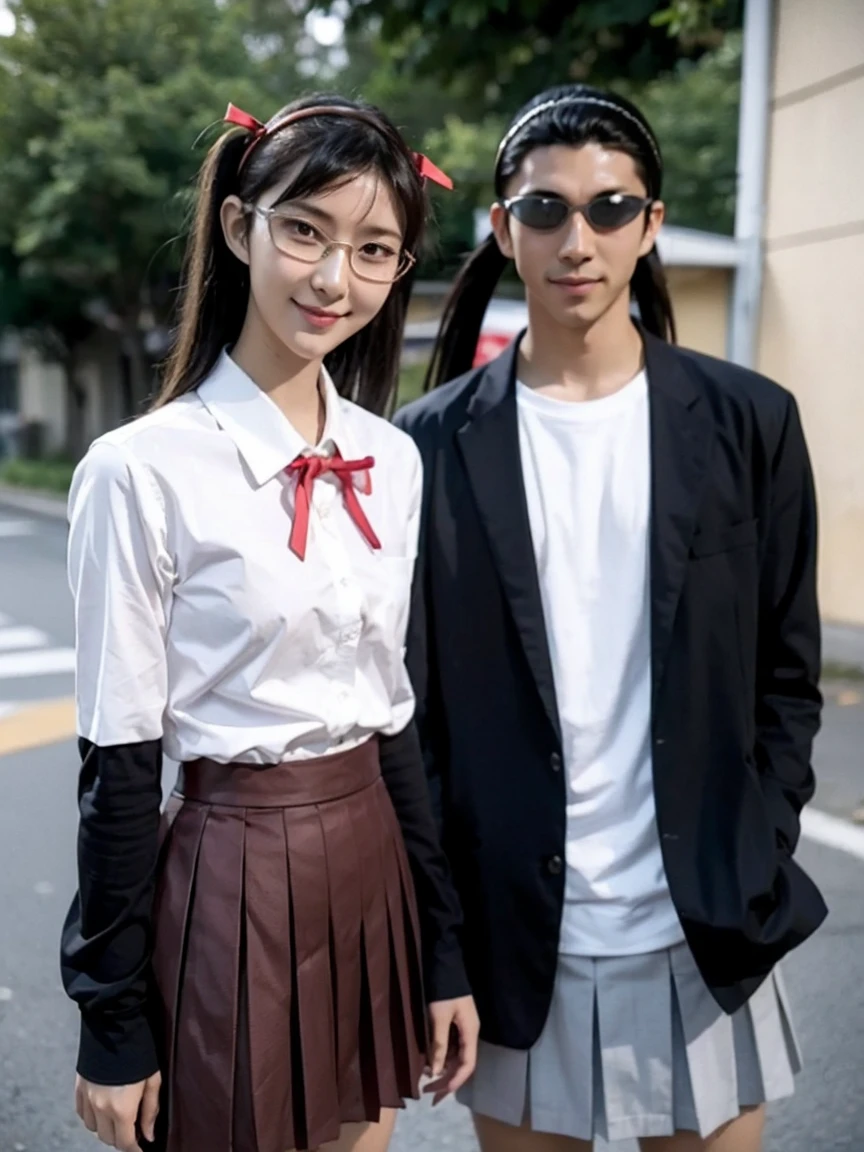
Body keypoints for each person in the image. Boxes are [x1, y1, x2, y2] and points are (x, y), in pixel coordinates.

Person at [394, 83, 827, 1152]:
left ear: (651, 225)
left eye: (609, 208)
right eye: (544, 210)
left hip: (702, 925)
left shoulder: (747, 423)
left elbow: (788, 672)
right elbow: (417, 716)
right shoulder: (430, 448)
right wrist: (444, 933)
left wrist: (758, 847)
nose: (575, 238)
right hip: (518, 938)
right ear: (503, 228)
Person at [60, 94, 479, 1152]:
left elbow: (397, 722)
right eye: (306, 230)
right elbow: (117, 761)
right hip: (229, 873)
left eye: (374, 248)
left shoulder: (396, 461)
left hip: (373, 863)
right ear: (241, 228)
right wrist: (111, 1018)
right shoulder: (139, 471)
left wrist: (442, 953)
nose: (336, 279)